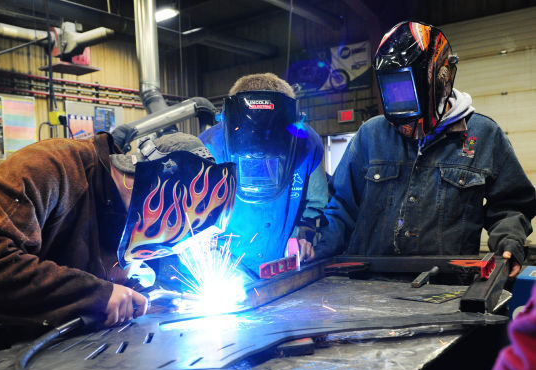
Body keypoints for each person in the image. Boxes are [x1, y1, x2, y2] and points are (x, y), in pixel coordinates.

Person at [0, 131, 234, 365]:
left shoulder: (137, 214)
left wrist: (143, 295)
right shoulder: (49, 168)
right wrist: (95, 296)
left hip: (65, 362)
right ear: (146, 186)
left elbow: (97, 270)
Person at [318, 21, 536, 277]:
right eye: (392, 90)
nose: (401, 107)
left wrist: (509, 243)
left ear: (441, 79)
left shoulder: (484, 135)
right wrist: (317, 250)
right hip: (368, 286)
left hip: (444, 289)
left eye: (406, 89)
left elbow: (512, 206)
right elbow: (342, 206)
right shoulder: (371, 134)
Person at [199, 73, 328, 277]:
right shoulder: (207, 147)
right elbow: (192, 212)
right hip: (225, 264)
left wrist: (303, 235)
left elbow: (315, 202)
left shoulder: (307, 144)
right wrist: (204, 248)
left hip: (279, 266)